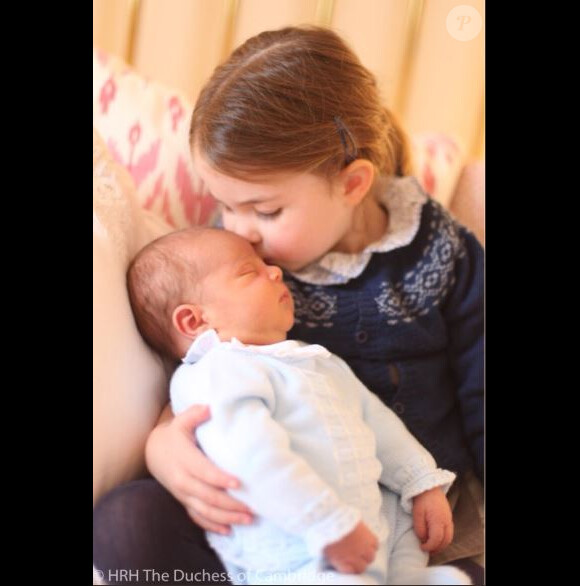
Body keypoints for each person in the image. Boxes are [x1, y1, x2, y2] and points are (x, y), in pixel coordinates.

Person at [93, 25, 483, 585]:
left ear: (352, 184)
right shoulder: (231, 258)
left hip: (413, 515)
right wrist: (161, 447)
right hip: (276, 506)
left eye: (264, 210)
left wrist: (431, 486)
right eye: (225, 207)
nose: (240, 232)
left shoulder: (444, 255)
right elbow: (198, 368)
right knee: (124, 524)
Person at [125, 226, 470, 585]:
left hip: (369, 533)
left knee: (413, 542)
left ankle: (406, 576)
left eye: (265, 265)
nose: (275, 272)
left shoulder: (316, 361)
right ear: (195, 321)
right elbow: (252, 458)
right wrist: (327, 524)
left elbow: (377, 423)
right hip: (299, 555)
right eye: (249, 272)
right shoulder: (217, 372)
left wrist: (420, 481)